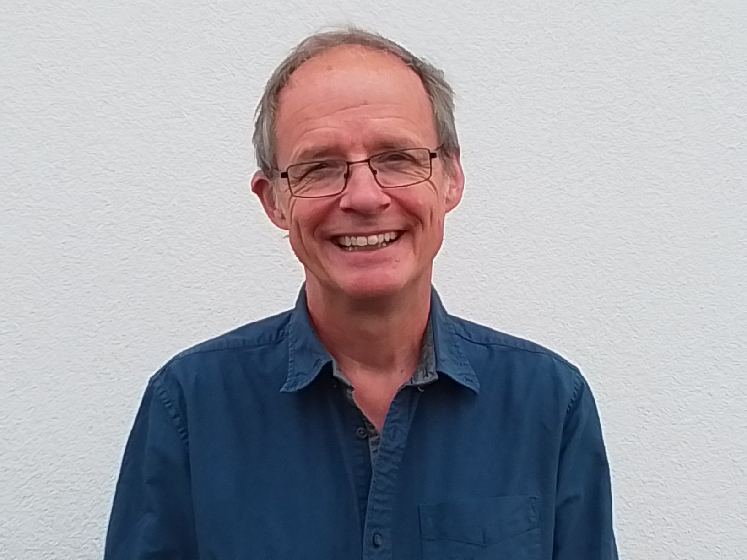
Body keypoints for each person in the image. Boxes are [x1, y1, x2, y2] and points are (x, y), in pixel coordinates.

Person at [104, 27, 618, 559]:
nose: (365, 196)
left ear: (450, 178)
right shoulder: (189, 406)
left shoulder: (550, 403)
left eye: (397, 157)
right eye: (319, 167)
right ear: (274, 200)